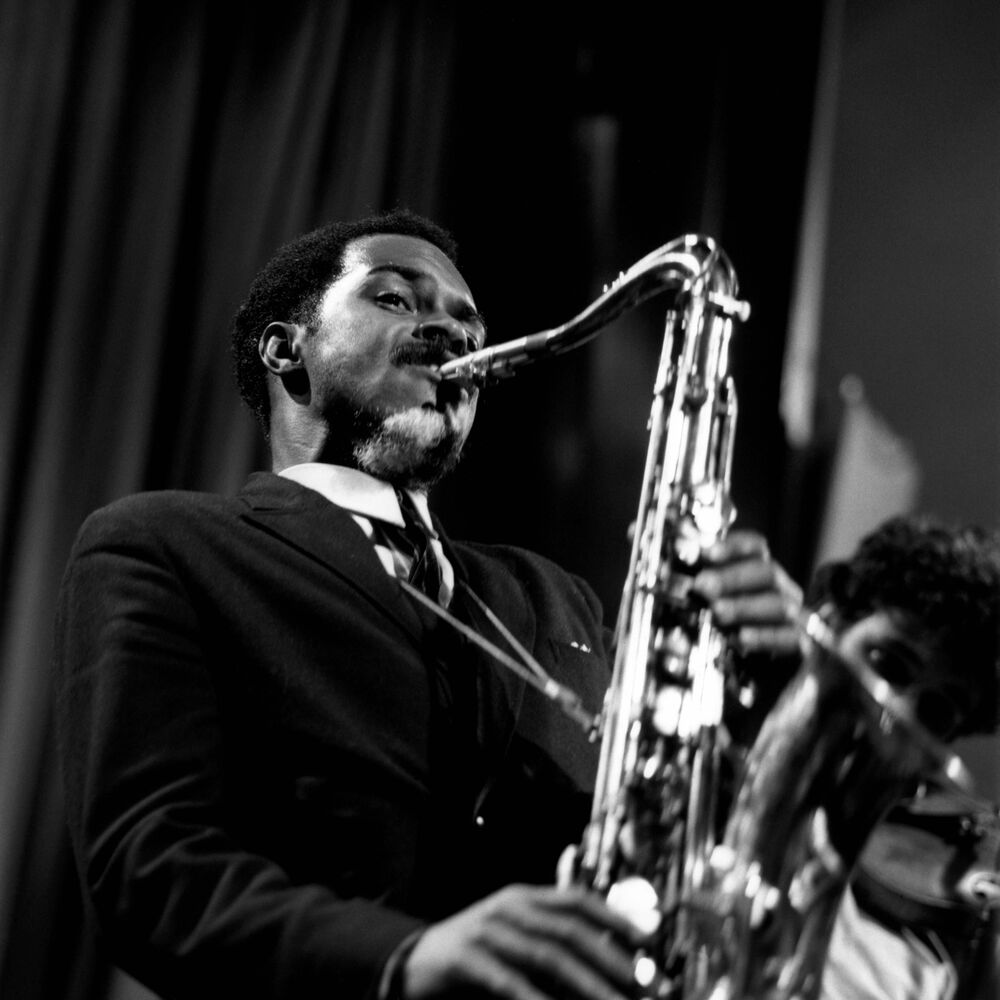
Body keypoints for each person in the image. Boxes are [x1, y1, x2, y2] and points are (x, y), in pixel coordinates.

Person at [52, 208, 803, 1000]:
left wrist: (779, 688)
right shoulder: (162, 546)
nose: (451, 332)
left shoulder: (559, 598)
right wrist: (401, 959)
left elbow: (684, 831)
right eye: (395, 298)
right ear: (285, 349)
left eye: (467, 323)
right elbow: (148, 866)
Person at [810, 515, 1000, 1000]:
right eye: (887, 665)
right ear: (829, 623)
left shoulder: (915, 975)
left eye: (935, 712)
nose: (896, 722)